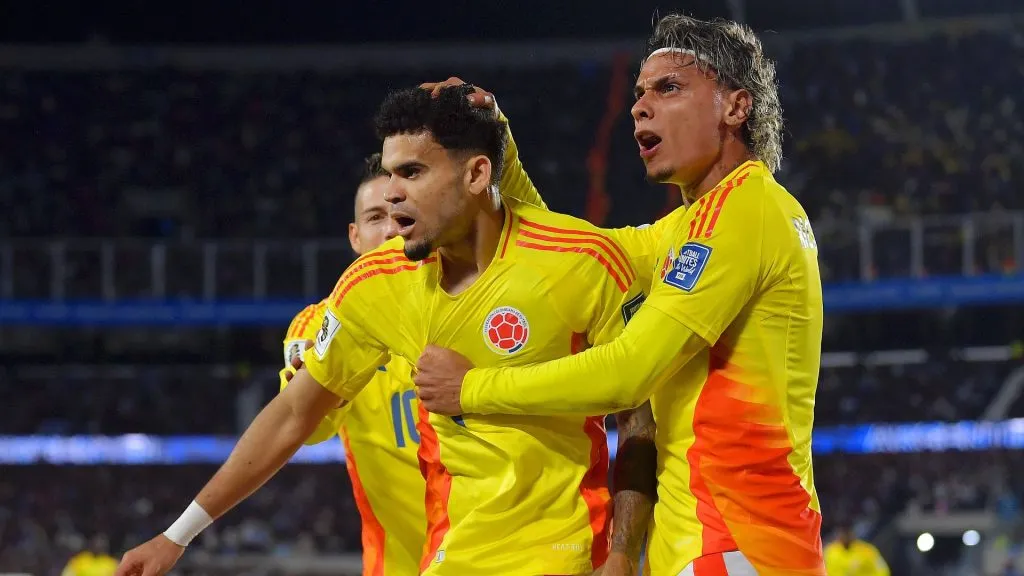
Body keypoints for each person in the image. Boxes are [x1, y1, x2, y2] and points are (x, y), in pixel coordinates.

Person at [115, 84, 660, 576]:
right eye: (390, 173)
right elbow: (292, 414)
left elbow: (639, 412)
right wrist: (176, 535)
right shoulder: (377, 284)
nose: (392, 193)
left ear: (475, 175)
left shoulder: (581, 259)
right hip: (453, 557)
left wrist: (622, 554)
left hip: (569, 554)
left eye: (412, 173)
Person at [414, 14, 825, 576]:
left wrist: (472, 389)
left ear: (735, 107)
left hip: (739, 544)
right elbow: (575, 252)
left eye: (669, 88)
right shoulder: (689, 227)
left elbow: (629, 372)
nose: (640, 107)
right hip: (715, 544)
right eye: (638, 94)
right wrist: (498, 149)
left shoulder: (746, 210)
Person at [277, 153, 424, 575]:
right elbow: (311, 428)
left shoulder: (466, 300)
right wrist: (313, 379)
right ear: (355, 237)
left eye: (400, 213)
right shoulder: (317, 324)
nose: (391, 228)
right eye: (376, 217)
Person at [823, 524, 890, 576]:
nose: (845, 536)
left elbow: (882, 570)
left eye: (848, 534)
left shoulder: (867, 550)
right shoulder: (830, 551)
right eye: (843, 534)